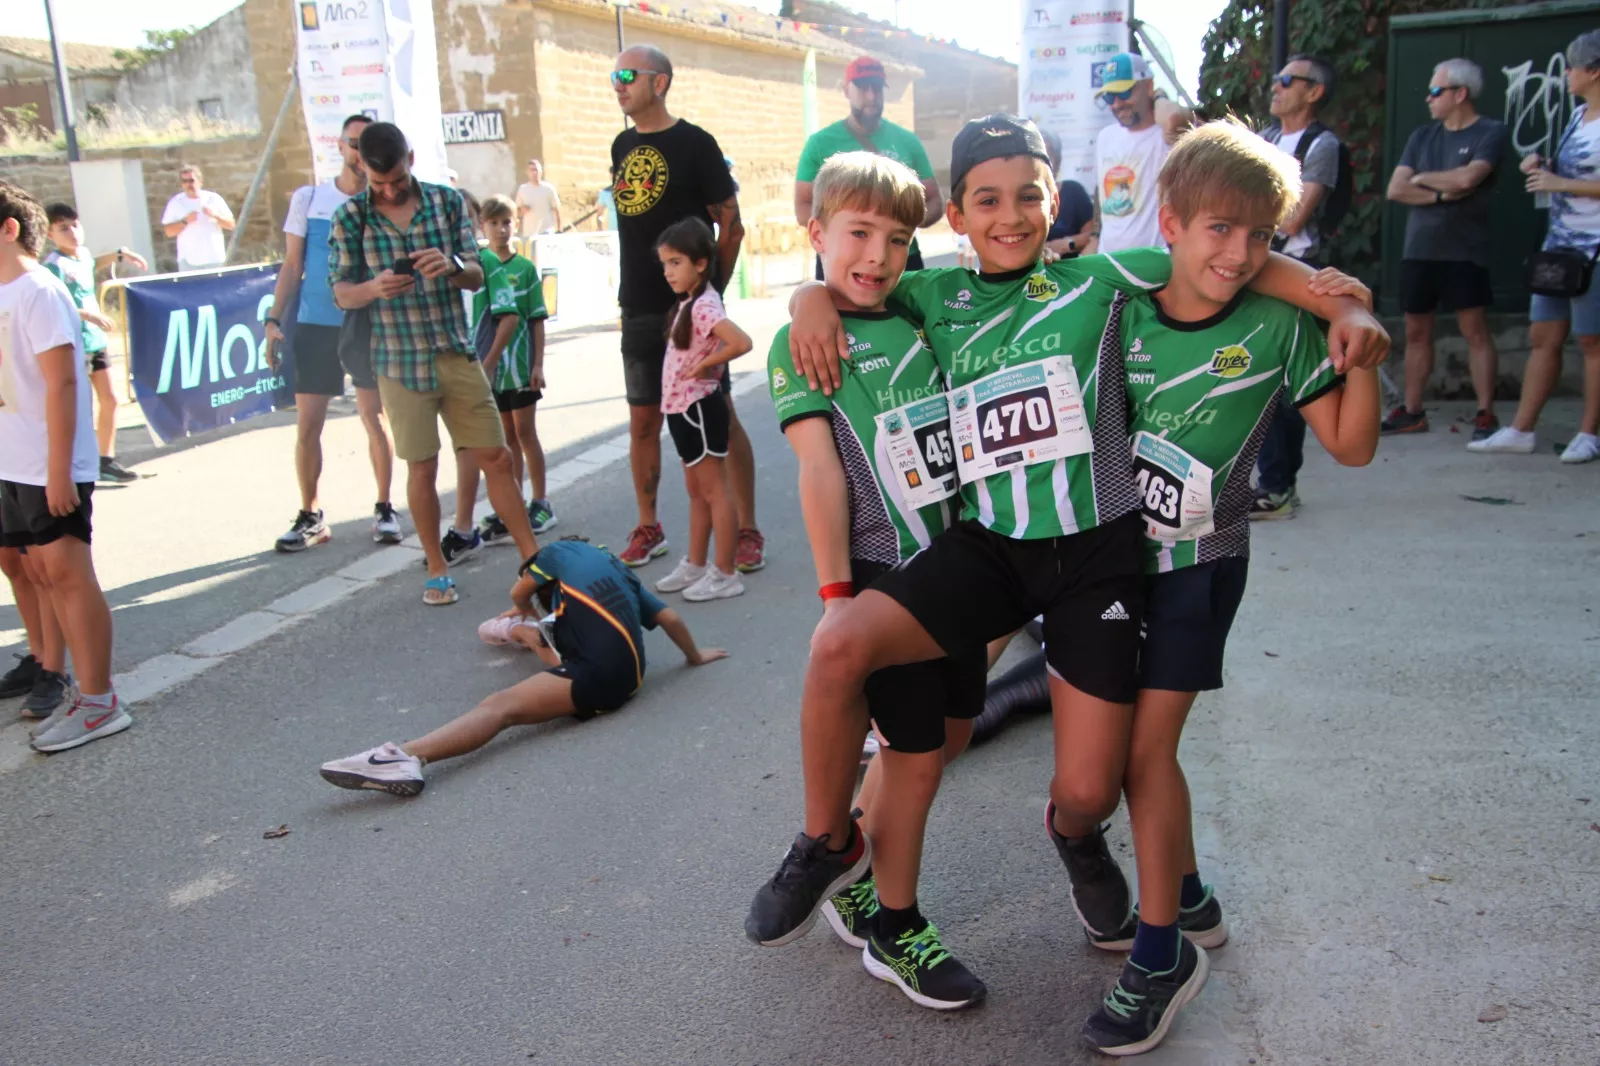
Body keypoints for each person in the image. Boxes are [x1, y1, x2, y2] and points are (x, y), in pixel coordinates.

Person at [744, 113, 1389, 1007]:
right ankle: (831, 844)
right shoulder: (932, 300)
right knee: (846, 648)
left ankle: (1077, 837)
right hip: (990, 554)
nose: (1009, 217)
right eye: (986, 201)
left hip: (1097, 562)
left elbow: (1242, 263)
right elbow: (845, 293)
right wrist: (803, 297)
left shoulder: (1104, 277)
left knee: (1088, 785)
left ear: (1056, 202)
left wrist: (1343, 303)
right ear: (957, 220)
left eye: (1029, 197)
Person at [1075, 120, 1380, 1055]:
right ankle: (1189, 885)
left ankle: (1161, 951)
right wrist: (809, 294)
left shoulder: (1280, 326)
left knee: (1145, 757)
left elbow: (1355, 446)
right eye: (1218, 230)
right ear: (1167, 222)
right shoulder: (1111, 296)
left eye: (1260, 236)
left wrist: (1357, 335)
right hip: (1102, 563)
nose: (1240, 254)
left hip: (1204, 569)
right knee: (1104, 767)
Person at [755, 150, 987, 1010]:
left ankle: (856, 879)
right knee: (918, 761)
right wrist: (835, 598)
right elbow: (820, 472)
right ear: (816, 232)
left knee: (950, 737)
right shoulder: (806, 338)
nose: (878, 256)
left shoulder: (924, 315)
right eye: (858, 234)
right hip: (885, 581)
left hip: (967, 572)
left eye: (897, 239)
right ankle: (897, 925)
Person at [317, 537, 727, 795]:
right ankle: (402, 757)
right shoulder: (617, 570)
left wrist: (521, 616)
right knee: (523, 697)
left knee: (500, 707)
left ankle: (406, 757)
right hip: (630, 677)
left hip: (599, 678)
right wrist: (694, 656)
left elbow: (521, 590)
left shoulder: (554, 555)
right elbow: (669, 619)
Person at [329, 121, 540, 606]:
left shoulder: (445, 202)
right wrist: (373, 288)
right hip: (398, 362)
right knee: (421, 468)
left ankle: (534, 558)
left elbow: (473, 273)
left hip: (454, 351)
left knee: (496, 457)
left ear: (410, 159)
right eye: (378, 183)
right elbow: (340, 292)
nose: (388, 189)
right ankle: (437, 567)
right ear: (362, 167)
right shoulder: (349, 219)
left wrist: (449, 264)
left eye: (397, 178)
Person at [610, 44, 764, 573]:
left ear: (661, 82)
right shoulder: (621, 145)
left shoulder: (696, 143)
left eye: (628, 74)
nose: (618, 83)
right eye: (614, 75)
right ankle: (648, 526)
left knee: (720, 415)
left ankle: (746, 529)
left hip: (689, 309)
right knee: (642, 421)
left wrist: (707, 291)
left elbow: (732, 222)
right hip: (638, 307)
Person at [0, 181, 130, 753]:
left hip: (50, 463)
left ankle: (100, 701)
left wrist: (59, 471)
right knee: (41, 573)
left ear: (8, 229)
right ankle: (69, 683)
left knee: (69, 573)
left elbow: (62, 383)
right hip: (13, 460)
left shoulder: (38, 291)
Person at [265, 113, 401, 552]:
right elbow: (292, 265)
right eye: (353, 143)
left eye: (367, 144)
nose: (360, 153)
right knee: (308, 426)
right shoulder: (310, 198)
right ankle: (311, 514)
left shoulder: (384, 200)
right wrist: (273, 319)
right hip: (315, 324)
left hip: (366, 323)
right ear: (340, 147)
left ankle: (384, 507)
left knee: (374, 420)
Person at [1471, 31, 1600, 463]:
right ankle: (1522, 429)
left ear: (1594, 70)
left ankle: (1588, 432)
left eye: (1572, 67)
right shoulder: (1577, 116)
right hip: (1560, 245)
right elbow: (1569, 172)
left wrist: (1561, 181)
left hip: (1596, 248)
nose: (1565, 75)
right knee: (1543, 334)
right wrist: (1542, 165)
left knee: (1591, 341)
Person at [1384, 58, 1508, 441]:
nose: (1428, 98)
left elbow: (1472, 176)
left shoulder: (1491, 131)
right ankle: (1413, 410)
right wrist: (1441, 191)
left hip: (1464, 249)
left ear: (1460, 94)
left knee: (1474, 329)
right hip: (1419, 249)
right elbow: (1396, 188)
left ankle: (1485, 412)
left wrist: (1422, 180)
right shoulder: (1423, 136)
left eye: (1436, 91)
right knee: (1416, 330)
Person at [1251, 54, 1346, 520]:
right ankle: (1274, 483)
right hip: (1261, 266)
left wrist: (1248, 219)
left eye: (1288, 80)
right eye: (1276, 78)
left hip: (1301, 269)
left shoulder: (1322, 144)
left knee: (1291, 383)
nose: (1276, 86)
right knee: (1263, 378)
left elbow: (1296, 215)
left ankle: (1279, 486)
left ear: (1314, 91)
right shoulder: (1267, 139)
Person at [651, 217, 753, 602]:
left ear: (700, 263)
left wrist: (704, 366)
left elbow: (740, 342)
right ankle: (695, 563)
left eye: (676, 262)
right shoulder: (689, 304)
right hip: (682, 410)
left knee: (715, 491)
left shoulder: (704, 306)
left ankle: (725, 572)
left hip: (698, 407)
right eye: (665, 264)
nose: (668, 272)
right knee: (697, 490)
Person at [453, 194, 556, 557]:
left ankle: (541, 501)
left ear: (516, 223)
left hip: (520, 367)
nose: (500, 229)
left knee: (526, 433)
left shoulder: (524, 269)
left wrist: (538, 364)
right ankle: (511, 506)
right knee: (504, 438)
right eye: (493, 223)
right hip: (490, 374)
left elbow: (536, 319)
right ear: (483, 226)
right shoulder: (476, 267)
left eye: (506, 222)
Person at [794, 55, 943, 274]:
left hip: (902, 265)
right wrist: (846, 235)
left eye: (877, 88)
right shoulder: (820, 144)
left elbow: (934, 201)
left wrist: (902, 224)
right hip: (841, 264)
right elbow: (803, 208)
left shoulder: (907, 142)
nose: (871, 96)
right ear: (846, 91)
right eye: (863, 88)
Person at [42, 202, 148, 485]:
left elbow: (90, 263)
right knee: (78, 407)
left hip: (95, 341)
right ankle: (73, 464)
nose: (73, 232)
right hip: (73, 343)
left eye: (75, 225)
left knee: (110, 399)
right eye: (63, 229)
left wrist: (119, 255)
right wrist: (88, 315)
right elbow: (51, 304)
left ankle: (106, 459)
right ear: (50, 234)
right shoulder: (53, 267)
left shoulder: (82, 255)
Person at [1091, 53, 1192, 254]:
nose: (1117, 103)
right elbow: (1102, 199)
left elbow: (1174, 118)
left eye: (1125, 93)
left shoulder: (1164, 135)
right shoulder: (1105, 137)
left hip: (1151, 263)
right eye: (1110, 96)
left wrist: (1160, 95)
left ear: (1148, 87)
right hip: (1108, 261)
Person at [160, 165, 235, 271]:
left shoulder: (214, 199)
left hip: (214, 259)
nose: (188, 184)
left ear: (200, 181)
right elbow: (169, 232)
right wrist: (185, 221)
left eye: (191, 180)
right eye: (184, 181)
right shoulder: (176, 202)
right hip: (188, 261)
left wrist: (215, 216)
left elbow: (231, 225)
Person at [1041, 128, 1096, 259]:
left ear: (1058, 161)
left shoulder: (1073, 191)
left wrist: (1067, 244)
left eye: (1046, 158)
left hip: (1070, 271)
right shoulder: (1020, 199)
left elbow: (1093, 235)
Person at [515, 159, 563, 239]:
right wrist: (522, 210)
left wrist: (559, 230)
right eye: (531, 170)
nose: (534, 173)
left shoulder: (549, 188)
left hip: (546, 232)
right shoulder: (523, 189)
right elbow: (516, 211)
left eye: (536, 170)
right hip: (529, 233)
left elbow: (557, 209)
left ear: (541, 172)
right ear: (527, 173)